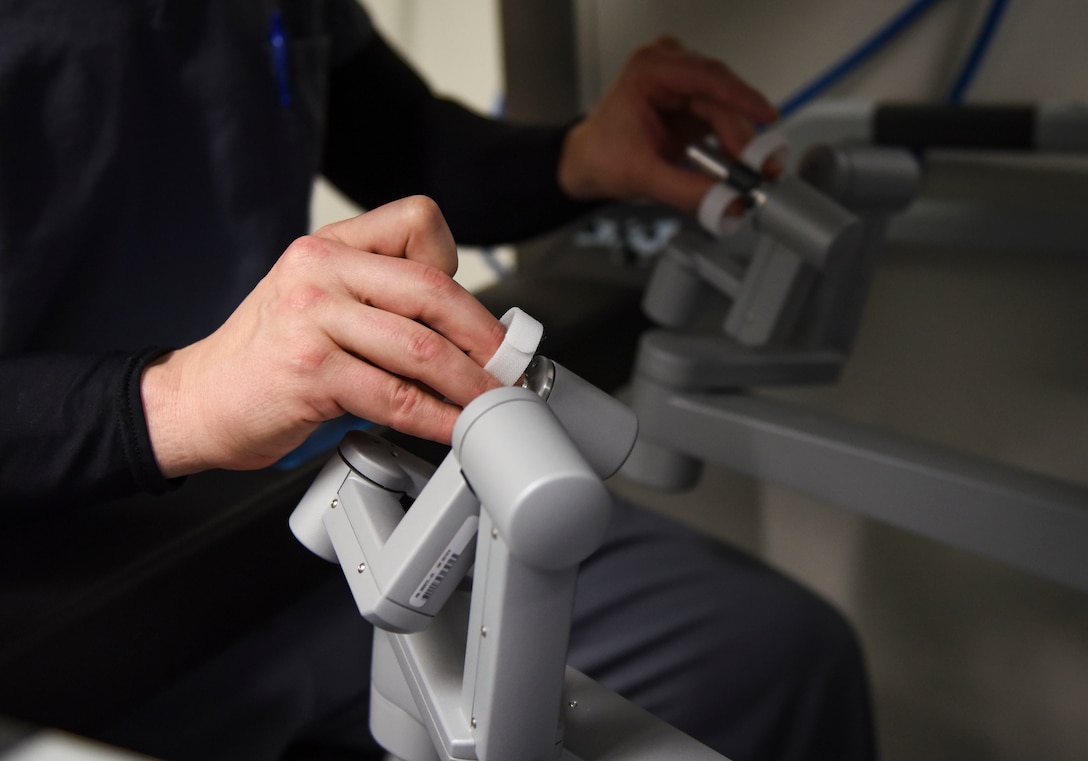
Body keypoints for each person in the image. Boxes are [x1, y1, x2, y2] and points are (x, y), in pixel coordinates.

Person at [0, 2, 877, 760]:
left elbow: (408, 144)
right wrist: (179, 398)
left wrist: (581, 154)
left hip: (300, 524)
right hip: (66, 602)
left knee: (780, 657)